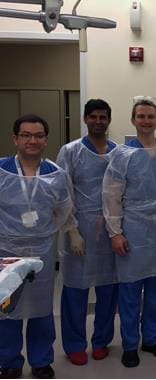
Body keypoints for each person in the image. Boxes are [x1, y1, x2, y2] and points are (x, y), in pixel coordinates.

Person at [0, 114, 74, 379]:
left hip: (41, 250)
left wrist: (43, 233)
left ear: (45, 139)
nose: (32, 140)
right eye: (26, 135)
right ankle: (9, 361)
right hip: (6, 250)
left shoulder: (56, 174)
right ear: (15, 139)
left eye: (38, 135)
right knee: (7, 308)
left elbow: (64, 211)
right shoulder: (1, 170)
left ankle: (41, 360)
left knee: (42, 307)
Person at [102, 98, 156, 368]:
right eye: (141, 116)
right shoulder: (122, 154)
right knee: (130, 291)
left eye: (150, 116)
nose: (146, 121)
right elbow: (110, 195)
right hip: (132, 229)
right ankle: (130, 344)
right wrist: (115, 232)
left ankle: (152, 339)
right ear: (133, 120)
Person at [57, 99, 119, 366]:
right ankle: (74, 345)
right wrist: (72, 231)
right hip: (79, 227)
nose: (98, 121)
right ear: (85, 119)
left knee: (108, 289)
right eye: (92, 116)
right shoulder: (70, 151)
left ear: (109, 119)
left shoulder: (119, 152)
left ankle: (102, 340)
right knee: (75, 288)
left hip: (111, 228)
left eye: (102, 117)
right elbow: (62, 193)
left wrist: (118, 228)